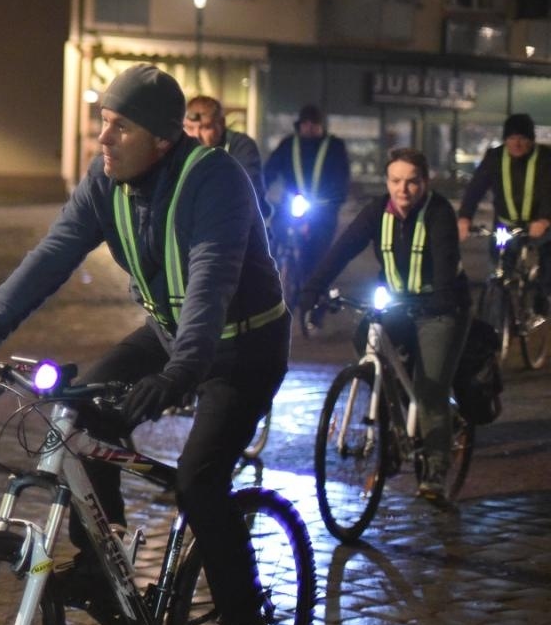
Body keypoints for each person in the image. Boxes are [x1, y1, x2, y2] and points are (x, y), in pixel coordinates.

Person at [0, 63, 288, 625]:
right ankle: (105, 570)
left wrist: (183, 372)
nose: (102, 139)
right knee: (80, 418)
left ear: (160, 139)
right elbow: (49, 257)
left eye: (118, 126)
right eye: (102, 121)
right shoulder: (106, 183)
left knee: (199, 478)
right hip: (169, 338)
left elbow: (210, 281)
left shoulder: (216, 181)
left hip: (244, 350)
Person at [298, 148, 469, 504]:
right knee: (367, 341)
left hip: (441, 306)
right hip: (398, 303)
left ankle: (435, 470)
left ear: (425, 181)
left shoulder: (438, 213)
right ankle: (393, 429)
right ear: (387, 181)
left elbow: (445, 261)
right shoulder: (378, 210)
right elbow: (342, 248)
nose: (403, 190)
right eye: (395, 181)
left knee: (430, 386)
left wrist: (437, 297)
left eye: (411, 182)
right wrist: (312, 288)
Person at [457, 113, 551, 304]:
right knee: (499, 269)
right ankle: (499, 311)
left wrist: (544, 219)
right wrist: (465, 217)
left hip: (540, 226)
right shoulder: (495, 157)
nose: (516, 143)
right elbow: (476, 187)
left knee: (546, 271)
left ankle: (543, 306)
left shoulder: (545, 159)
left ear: (531, 140)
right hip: (504, 226)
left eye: (522, 138)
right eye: (512, 138)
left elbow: (548, 191)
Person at [263, 104, 351, 274]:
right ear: (299, 125)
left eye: (314, 124)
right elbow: (270, 170)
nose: (309, 128)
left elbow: (342, 176)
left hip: (323, 208)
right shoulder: (288, 144)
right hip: (291, 204)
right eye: (306, 124)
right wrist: (260, 189)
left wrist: (335, 200)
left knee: (316, 256)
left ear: (321, 126)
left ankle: (315, 290)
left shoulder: (334, 146)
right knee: (274, 234)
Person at [184, 95, 266, 211]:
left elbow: (248, 191)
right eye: (190, 128)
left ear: (221, 124)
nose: (197, 135)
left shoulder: (240, 146)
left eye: (206, 127)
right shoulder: (183, 149)